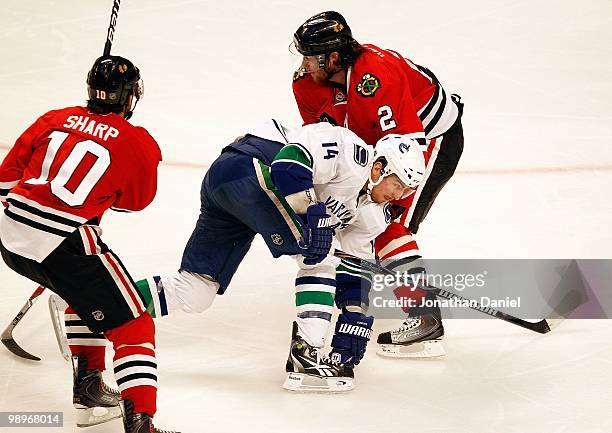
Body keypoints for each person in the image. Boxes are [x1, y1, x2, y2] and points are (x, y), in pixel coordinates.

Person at [133, 120, 425, 391]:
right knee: (318, 257)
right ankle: (305, 356)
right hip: (249, 169)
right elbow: (288, 164)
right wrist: (313, 213)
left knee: (195, 291)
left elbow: (353, 264)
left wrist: (355, 315)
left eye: (406, 189)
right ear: (379, 168)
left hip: (226, 189)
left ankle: (109, 303)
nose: (399, 195)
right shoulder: (351, 150)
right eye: (397, 184)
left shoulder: (370, 215)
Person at [0, 55, 176, 433]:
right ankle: (141, 423)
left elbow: (4, 179)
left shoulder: (53, 118)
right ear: (130, 96)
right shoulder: (137, 141)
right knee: (134, 325)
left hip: (11, 235)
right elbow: (135, 201)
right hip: (65, 242)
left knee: (82, 295)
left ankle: (89, 388)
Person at [290, 11, 465, 357]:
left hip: (427, 140)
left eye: (311, 55)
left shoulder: (376, 75)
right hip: (380, 146)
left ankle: (425, 317)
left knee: (387, 224)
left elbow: (406, 149)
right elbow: (326, 139)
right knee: (369, 219)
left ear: (334, 57)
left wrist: (374, 202)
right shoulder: (305, 84)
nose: (305, 62)